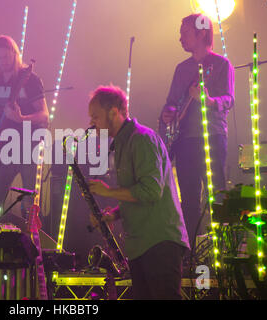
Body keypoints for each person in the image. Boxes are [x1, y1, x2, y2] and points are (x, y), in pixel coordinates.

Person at [88, 85, 190, 300]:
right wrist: (113, 215)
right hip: (142, 244)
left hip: (158, 241)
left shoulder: (142, 139)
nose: (92, 123)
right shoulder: (124, 143)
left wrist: (109, 191)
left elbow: (151, 191)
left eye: (96, 117)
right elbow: (137, 195)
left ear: (114, 112)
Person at [160, 14, 235, 244]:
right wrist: (167, 113)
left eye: (185, 32)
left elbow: (229, 99)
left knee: (217, 196)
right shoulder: (181, 69)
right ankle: (191, 252)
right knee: (189, 200)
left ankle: (223, 249)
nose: (180, 37)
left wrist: (208, 100)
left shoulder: (222, 64)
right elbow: (171, 102)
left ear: (202, 32)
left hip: (212, 136)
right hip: (185, 142)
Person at [0, 35, 49, 219]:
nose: (2, 62)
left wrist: (21, 119)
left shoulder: (30, 79)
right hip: (5, 147)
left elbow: (44, 115)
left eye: (6, 57)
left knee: (30, 206)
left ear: (14, 54)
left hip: (30, 146)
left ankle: (31, 245)